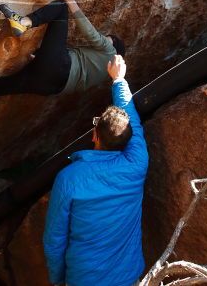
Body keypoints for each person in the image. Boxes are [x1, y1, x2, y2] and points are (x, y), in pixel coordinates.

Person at [43, 55, 148, 286]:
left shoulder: (70, 178)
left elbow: (54, 239)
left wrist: (58, 279)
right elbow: (134, 125)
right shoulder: (137, 163)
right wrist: (119, 80)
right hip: (127, 277)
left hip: (83, 278)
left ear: (94, 135)